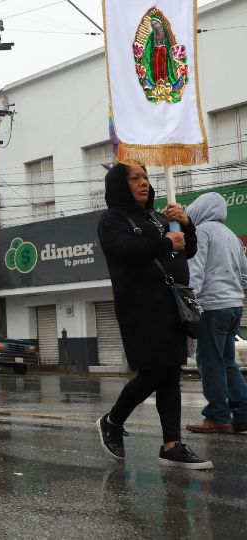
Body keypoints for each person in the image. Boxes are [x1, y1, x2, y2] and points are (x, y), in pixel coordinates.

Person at [95, 163, 212, 469]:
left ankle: (171, 445)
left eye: (146, 177)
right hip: (139, 309)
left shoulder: (159, 217)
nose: (144, 183)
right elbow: (124, 249)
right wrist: (164, 242)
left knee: (169, 372)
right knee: (154, 372)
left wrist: (186, 225)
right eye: (135, 178)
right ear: (121, 184)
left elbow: (187, 251)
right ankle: (112, 421)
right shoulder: (113, 219)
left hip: (170, 307)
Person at [184, 192, 247, 434]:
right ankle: (242, 413)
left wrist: (189, 303)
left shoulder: (201, 232)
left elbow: (195, 272)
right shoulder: (232, 236)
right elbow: (245, 275)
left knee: (210, 362)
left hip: (212, 307)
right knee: (227, 361)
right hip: (234, 306)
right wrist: (231, 289)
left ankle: (218, 415)